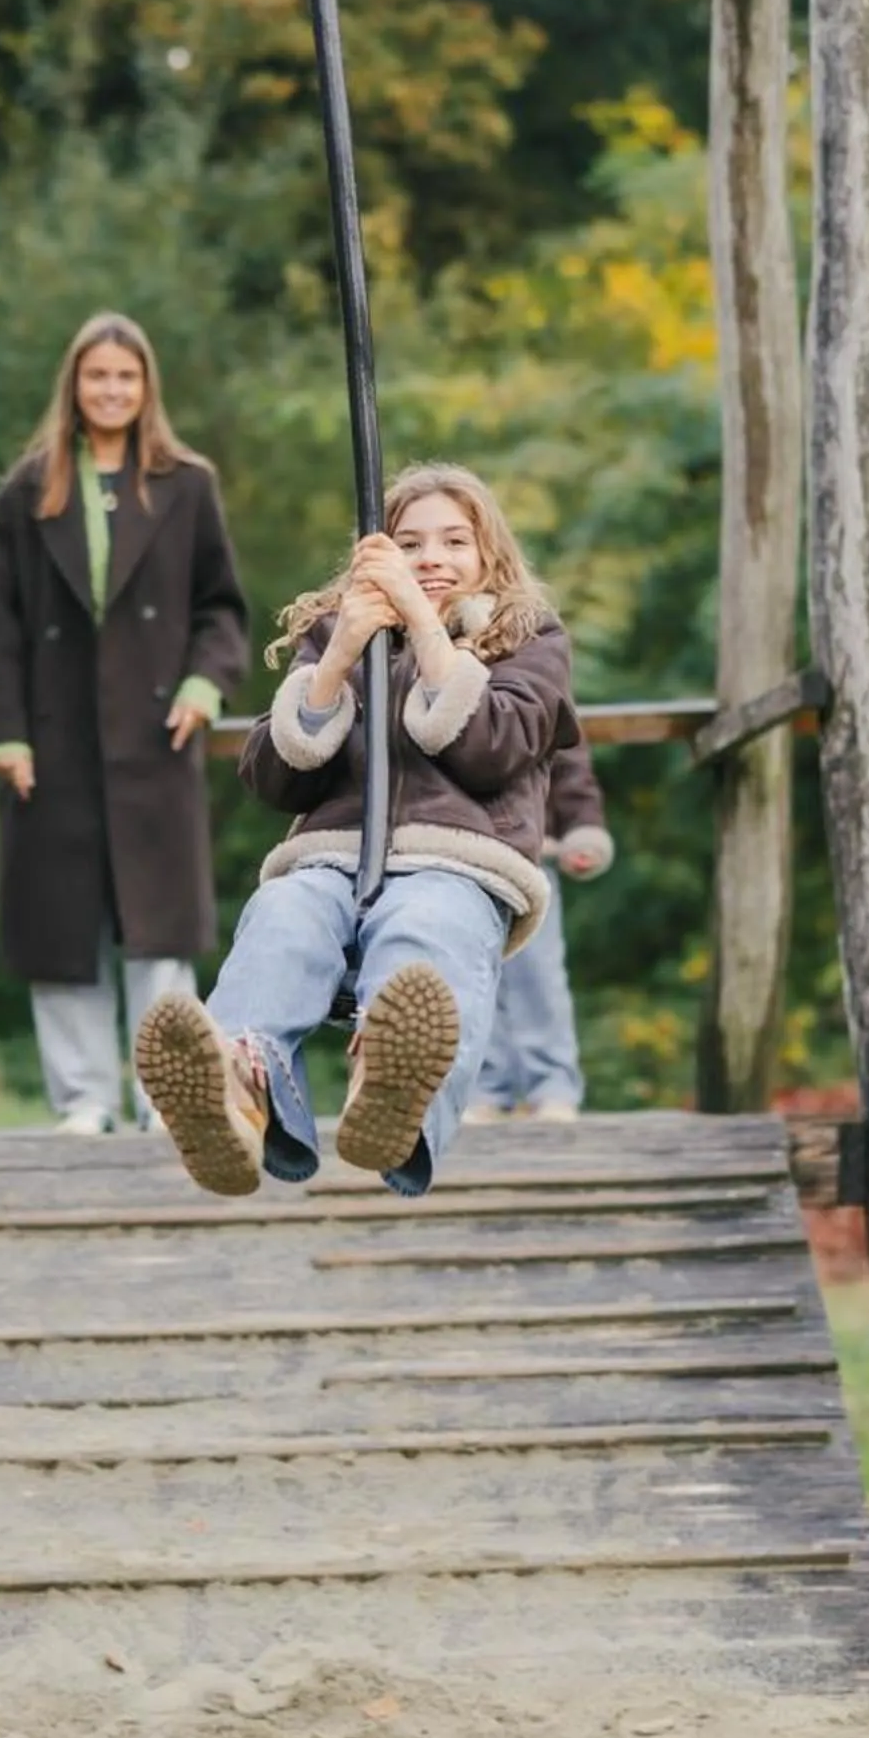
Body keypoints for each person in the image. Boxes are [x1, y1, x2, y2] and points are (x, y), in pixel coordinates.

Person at [133, 463, 578, 1199]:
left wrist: (427, 630)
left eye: (454, 541)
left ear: (489, 553)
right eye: (410, 543)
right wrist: (338, 655)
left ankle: (392, 1082)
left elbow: (495, 746)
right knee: (281, 914)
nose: (431, 558)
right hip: (334, 854)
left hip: (456, 858)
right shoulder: (340, 634)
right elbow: (273, 778)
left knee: (424, 926)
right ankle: (239, 1087)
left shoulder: (526, 639)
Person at [0, 312, 251, 1135]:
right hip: (52, 740)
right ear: (75, 384)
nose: (111, 390)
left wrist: (204, 684)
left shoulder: (186, 485)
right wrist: (5, 733)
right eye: (97, 375)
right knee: (61, 928)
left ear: (145, 387)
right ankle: (84, 1101)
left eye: (126, 377)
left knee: (158, 929)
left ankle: (168, 1098)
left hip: (155, 735)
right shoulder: (26, 492)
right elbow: (0, 625)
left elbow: (221, 608)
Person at [465, 737, 611, 1123]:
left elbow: (571, 768)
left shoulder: (546, 700)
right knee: (472, 975)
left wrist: (583, 829)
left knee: (539, 976)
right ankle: (482, 1089)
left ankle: (552, 1087)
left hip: (532, 857)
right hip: (460, 856)